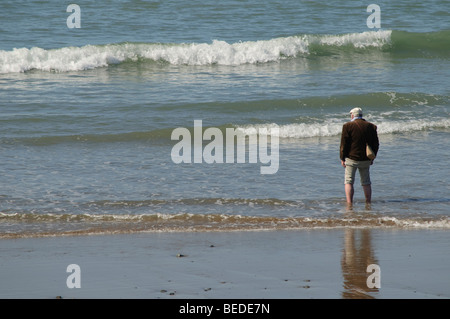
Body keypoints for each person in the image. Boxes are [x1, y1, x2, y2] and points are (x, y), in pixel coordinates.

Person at [340, 107, 379, 206]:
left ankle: (349, 203)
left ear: (352, 115)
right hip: (366, 158)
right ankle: (368, 202)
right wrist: (372, 157)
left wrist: (342, 158)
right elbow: (376, 144)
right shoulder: (371, 126)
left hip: (351, 158)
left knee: (349, 181)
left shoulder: (347, 126)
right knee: (366, 182)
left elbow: (344, 144)